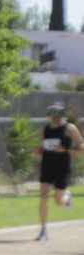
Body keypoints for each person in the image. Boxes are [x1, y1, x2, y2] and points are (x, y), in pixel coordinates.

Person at [34, 102, 83, 241]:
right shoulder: (45, 129)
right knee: (43, 195)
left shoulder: (69, 128)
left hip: (62, 167)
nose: (54, 116)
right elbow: (43, 148)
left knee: (58, 201)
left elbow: (82, 146)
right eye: (51, 113)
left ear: (63, 114)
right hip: (47, 166)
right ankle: (43, 230)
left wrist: (66, 149)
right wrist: (38, 151)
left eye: (57, 113)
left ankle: (66, 195)